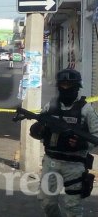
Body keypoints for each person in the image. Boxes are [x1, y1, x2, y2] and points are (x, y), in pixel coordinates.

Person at [30, 68, 98, 216]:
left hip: (74, 164)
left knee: (72, 207)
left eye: (69, 85)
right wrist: (39, 130)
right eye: (63, 84)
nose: (65, 88)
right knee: (47, 202)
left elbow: (95, 135)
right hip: (51, 161)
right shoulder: (51, 106)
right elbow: (39, 130)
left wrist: (83, 144)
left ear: (76, 87)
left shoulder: (86, 110)